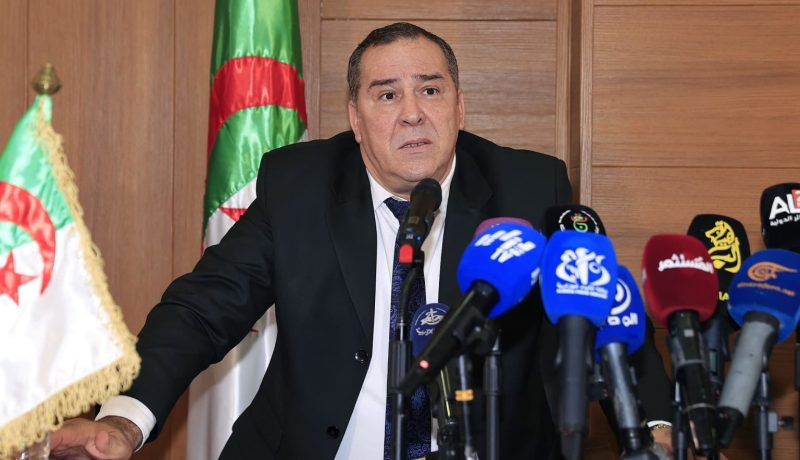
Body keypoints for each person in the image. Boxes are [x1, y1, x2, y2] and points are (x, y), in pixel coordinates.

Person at [50, 22, 674, 459]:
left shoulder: (530, 189)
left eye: (430, 89)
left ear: (459, 107)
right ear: (355, 117)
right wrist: (125, 422)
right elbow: (200, 309)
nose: (412, 112)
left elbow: (604, 312)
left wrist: (655, 427)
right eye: (387, 94)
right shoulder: (301, 187)